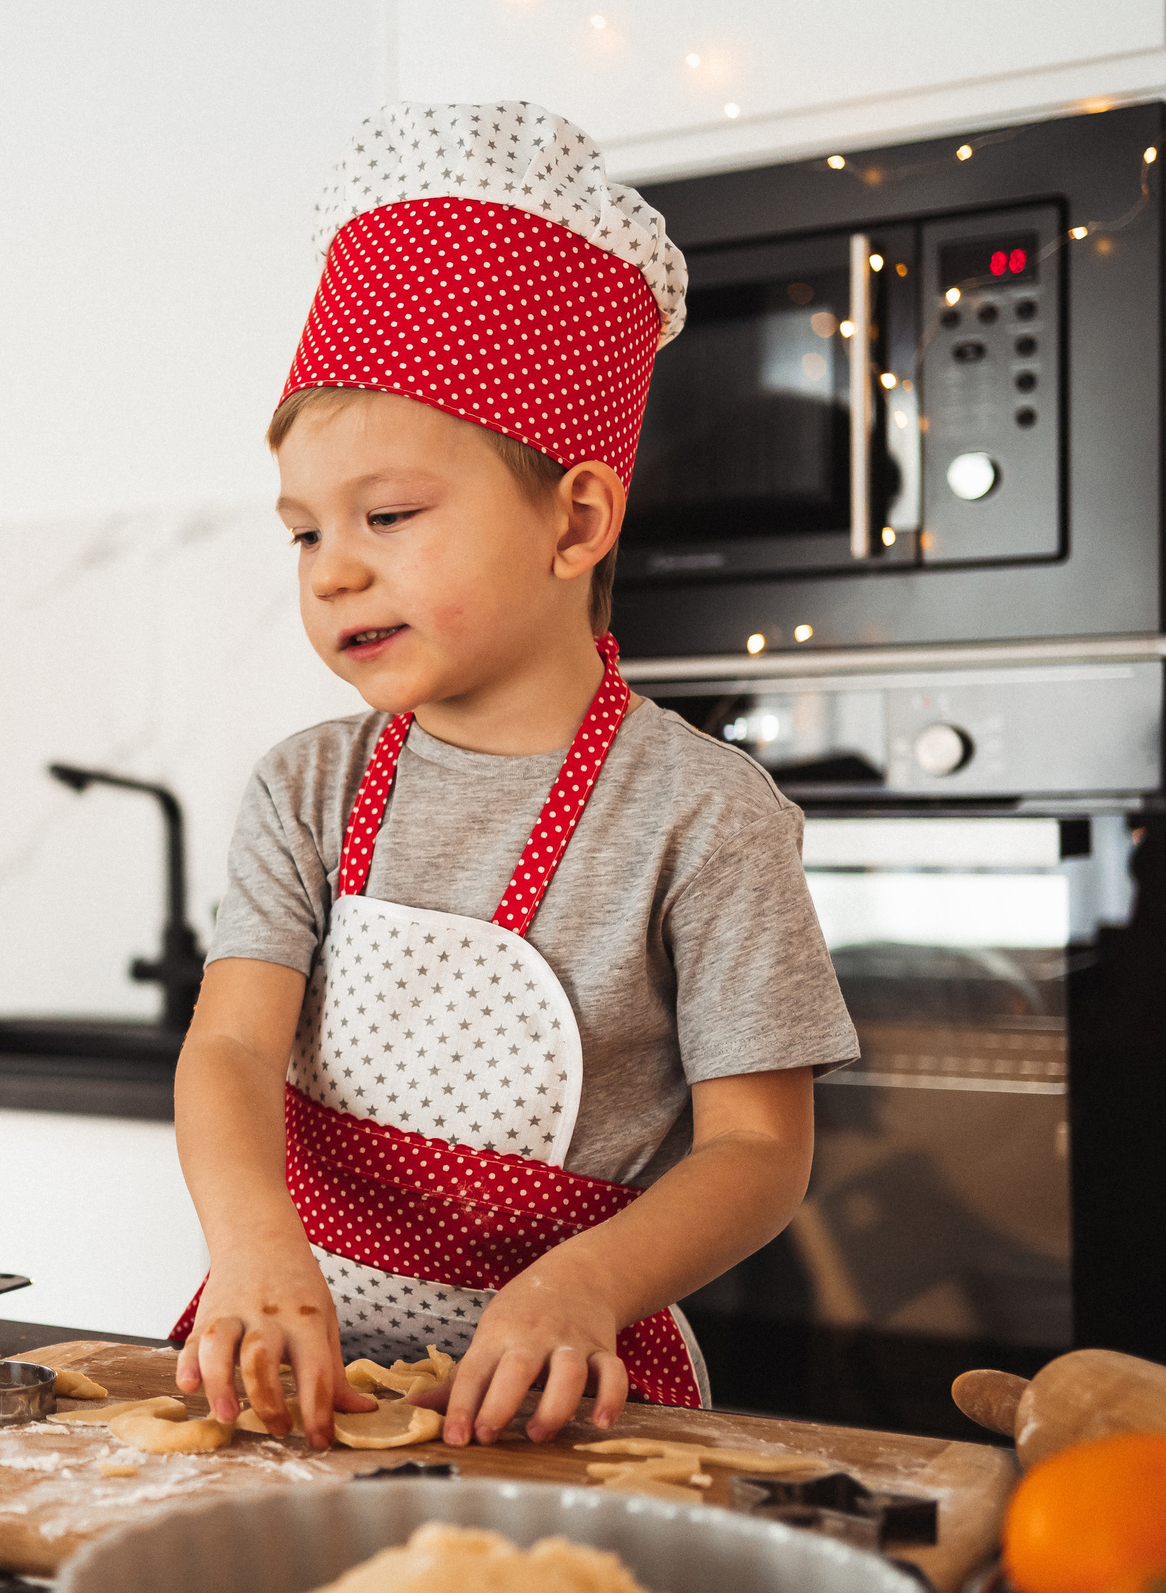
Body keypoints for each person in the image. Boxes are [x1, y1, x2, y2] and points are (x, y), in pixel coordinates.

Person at [171, 102, 859, 1450]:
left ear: (576, 518)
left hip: (564, 1396)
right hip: (289, 1386)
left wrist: (584, 1284)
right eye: (304, 529)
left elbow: (759, 1150)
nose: (333, 568)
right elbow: (234, 1046)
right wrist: (254, 1242)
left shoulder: (703, 814)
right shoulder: (306, 787)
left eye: (390, 514)